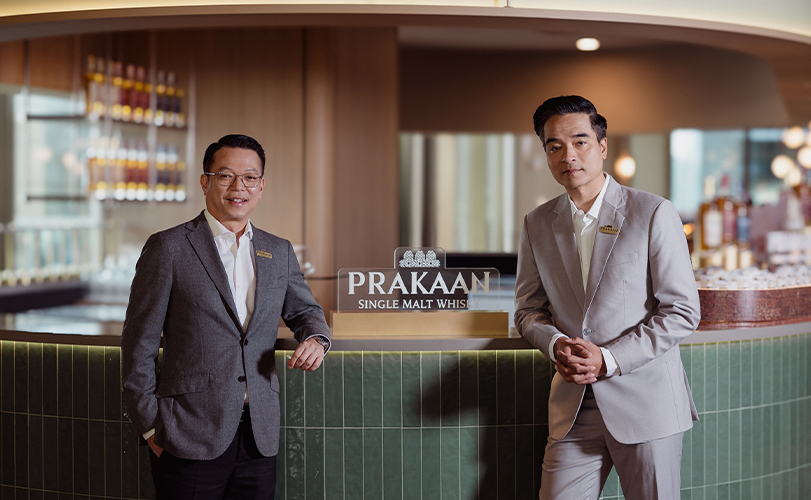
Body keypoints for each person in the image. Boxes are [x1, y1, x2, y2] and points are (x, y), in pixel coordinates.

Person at [121, 134, 331, 500]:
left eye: (249, 177)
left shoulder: (278, 250)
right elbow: (138, 342)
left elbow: (305, 310)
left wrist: (316, 337)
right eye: (225, 176)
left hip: (258, 437)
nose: (238, 187)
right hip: (186, 434)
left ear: (261, 187)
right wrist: (151, 427)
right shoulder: (169, 247)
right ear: (205, 182)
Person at [514, 96, 700, 500]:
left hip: (646, 402)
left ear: (601, 146)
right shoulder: (537, 224)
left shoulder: (653, 212)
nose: (568, 156)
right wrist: (556, 344)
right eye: (554, 146)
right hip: (574, 407)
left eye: (580, 142)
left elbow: (682, 311)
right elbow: (528, 311)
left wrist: (609, 359)